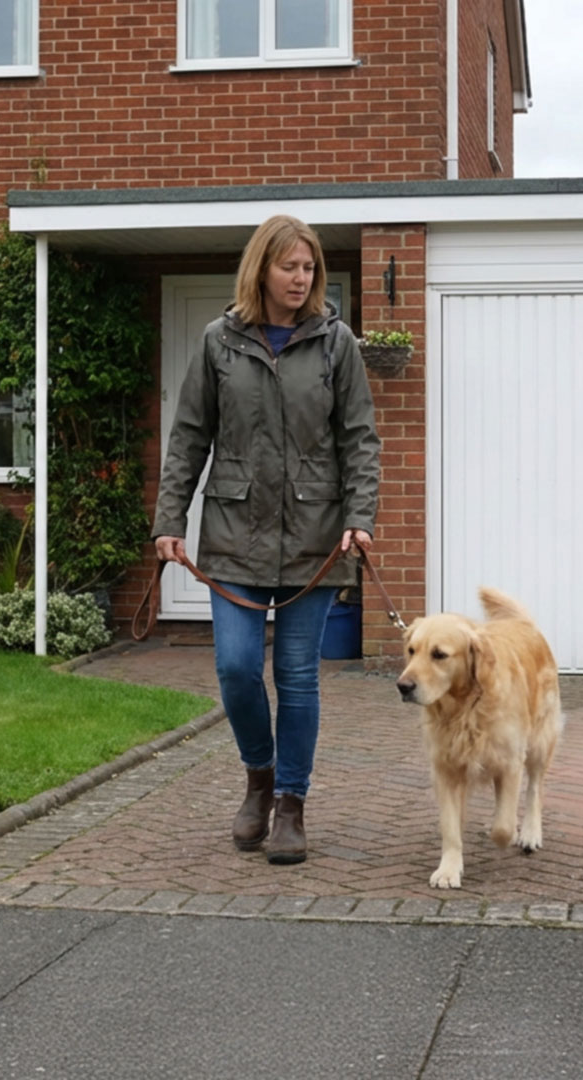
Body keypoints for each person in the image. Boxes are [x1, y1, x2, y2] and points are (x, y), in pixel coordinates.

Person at [151, 214, 382, 865]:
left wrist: (359, 515)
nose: (301, 278)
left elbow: (359, 438)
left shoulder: (336, 345)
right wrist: (170, 520)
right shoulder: (218, 342)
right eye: (289, 267)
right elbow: (189, 435)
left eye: (309, 268)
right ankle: (257, 775)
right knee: (233, 666)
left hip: (316, 538)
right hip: (233, 533)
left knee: (297, 675)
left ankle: (289, 804)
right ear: (262, 269)